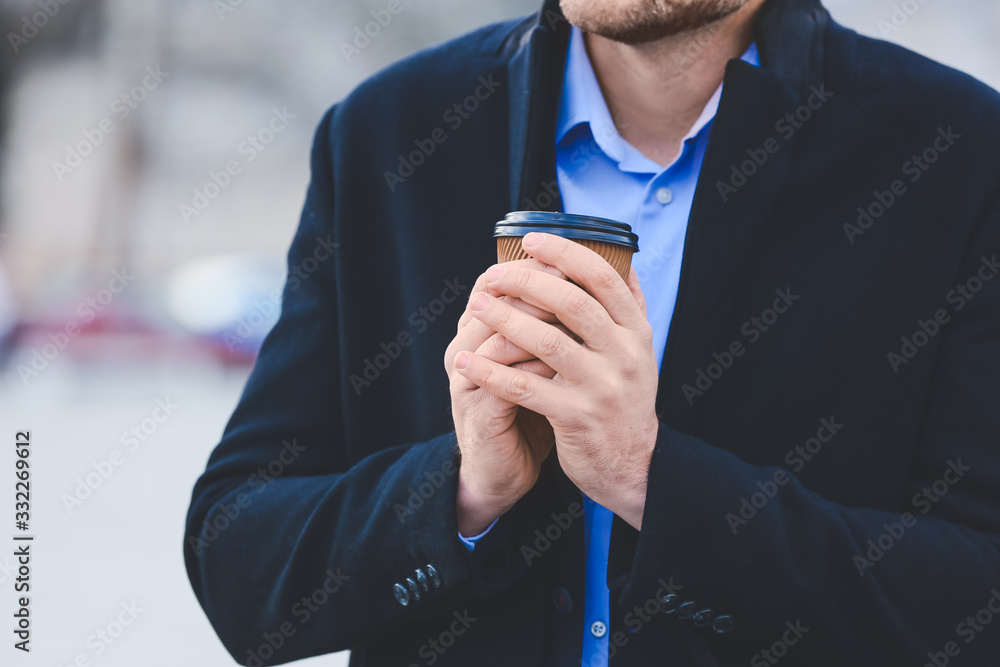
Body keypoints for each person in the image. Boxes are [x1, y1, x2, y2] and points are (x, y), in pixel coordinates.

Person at [184, 0, 1000, 664]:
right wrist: (462, 493)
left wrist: (654, 482)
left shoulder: (959, 154)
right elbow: (240, 565)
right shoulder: (385, 133)